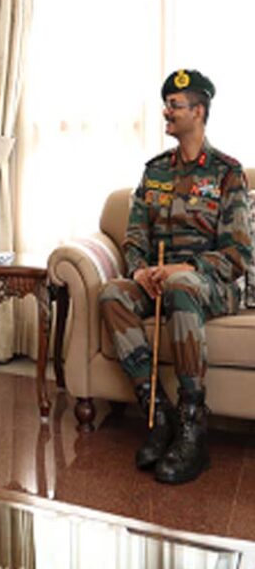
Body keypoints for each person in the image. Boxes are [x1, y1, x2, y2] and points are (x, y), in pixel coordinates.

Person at [99, 69, 251, 484]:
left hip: (212, 284)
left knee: (182, 287)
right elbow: (134, 237)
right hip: (160, 280)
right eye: (166, 104)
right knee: (112, 294)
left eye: (175, 105)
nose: (166, 111)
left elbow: (238, 254)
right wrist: (140, 271)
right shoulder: (155, 172)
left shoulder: (226, 173)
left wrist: (186, 269)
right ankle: (159, 414)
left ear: (198, 112)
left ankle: (193, 427)